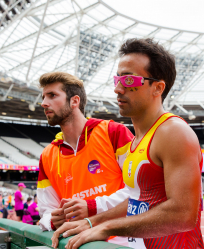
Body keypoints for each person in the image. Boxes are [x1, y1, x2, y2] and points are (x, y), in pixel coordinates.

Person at [51, 38, 204, 249]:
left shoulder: (173, 132)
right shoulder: (137, 140)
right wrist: (92, 222)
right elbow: (136, 200)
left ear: (158, 88)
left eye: (129, 79)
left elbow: (182, 214)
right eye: (118, 78)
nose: (118, 88)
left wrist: (107, 228)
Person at [37, 72, 134, 232]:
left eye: (52, 95)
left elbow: (139, 190)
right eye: (43, 97)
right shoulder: (47, 155)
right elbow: (46, 212)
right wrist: (52, 220)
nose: (44, 103)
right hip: (75, 248)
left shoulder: (113, 132)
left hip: (120, 244)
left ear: (75, 101)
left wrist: (92, 206)